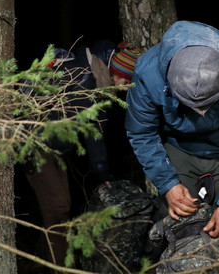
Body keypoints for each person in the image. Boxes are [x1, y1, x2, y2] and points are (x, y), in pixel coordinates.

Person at [124, 20, 219, 238]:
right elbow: (141, 132)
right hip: (179, 149)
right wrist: (168, 184)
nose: (200, 112)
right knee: (179, 228)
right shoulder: (148, 72)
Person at [24, 39, 138, 268]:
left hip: (54, 147)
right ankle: (60, 268)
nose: (126, 87)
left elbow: (95, 125)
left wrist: (101, 170)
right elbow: (92, 126)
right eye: (126, 80)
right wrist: (100, 169)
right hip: (34, 142)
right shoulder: (82, 74)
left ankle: (39, 265)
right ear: (115, 71)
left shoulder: (97, 79)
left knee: (59, 208)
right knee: (58, 207)